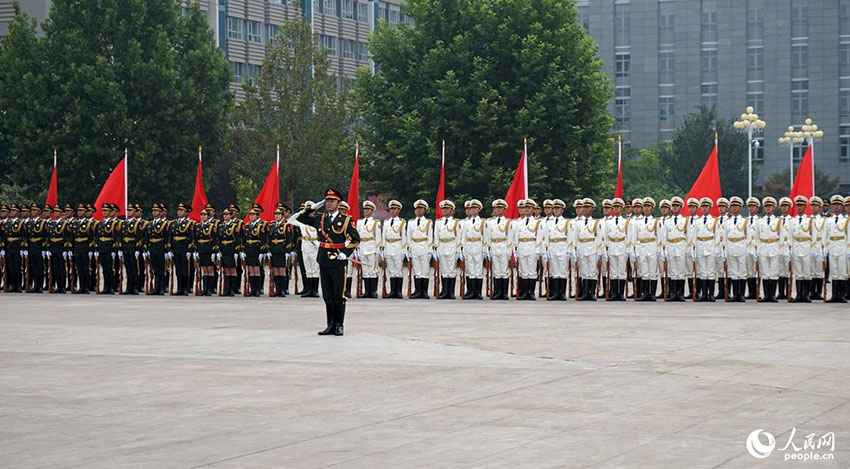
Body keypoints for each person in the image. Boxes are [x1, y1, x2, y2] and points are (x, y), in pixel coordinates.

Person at [293, 189, 361, 336]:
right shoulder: (320, 218)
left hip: (338, 260)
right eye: (327, 201)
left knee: (339, 295)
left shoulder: (346, 220)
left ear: (338, 203)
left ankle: (339, 325)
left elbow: (356, 239)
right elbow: (300, 218)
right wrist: (314, 207)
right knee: (327, 295)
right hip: (323, 259)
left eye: (332, 201)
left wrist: (346, 253)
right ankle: (330, 325)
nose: (329, 203)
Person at [630, 197, 661, 301]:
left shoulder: (656, 222)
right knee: (644, 272)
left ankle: (652, 294)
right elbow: (634, 237)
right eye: (645, 206)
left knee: (652, 272)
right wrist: (634, 250)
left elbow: (659, 238)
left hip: (652, 247)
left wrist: (659, 251)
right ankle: (645, 293)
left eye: (649, 207)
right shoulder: (638, 222)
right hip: (641, 248)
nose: (646, 209)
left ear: (652, 209)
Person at [721, 197, 750, 302]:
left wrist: (747, 250)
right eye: (732, 206)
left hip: (741, 247)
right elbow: (724, 237)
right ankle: (735, 294)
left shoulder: (745, 221)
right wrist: (724, 251)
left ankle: (741, 294)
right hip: (730, 247)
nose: (734, 208)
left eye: (736, 206)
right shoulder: (727, 222)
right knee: (733, 272)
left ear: (740, 207)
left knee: (742, 272)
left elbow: (748, 237)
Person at [754, 197, 782, 302]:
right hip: (763, 247)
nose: (768, 208)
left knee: (774, 272)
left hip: (774, 247)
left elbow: (782, 237)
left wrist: (780, 250)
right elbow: (756, 237)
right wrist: (757, 250)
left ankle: (772, 295)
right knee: (765, 272)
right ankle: (766, 295)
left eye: (770, 206)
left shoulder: (778, 221)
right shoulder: (759, 222)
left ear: (774, 207)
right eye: (766, 206)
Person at [515, 199, 544, 300]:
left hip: (532, 247)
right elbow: (516, 237)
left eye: (529, 208)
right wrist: (516, 249)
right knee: (523, 271)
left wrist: (538, 251)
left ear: (533, 209)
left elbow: (539, 237)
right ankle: (524, 292)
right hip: (522, 247)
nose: (527, 209)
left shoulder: (537, 222)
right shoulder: (519, 222)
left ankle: (531, 292)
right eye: (525, 207)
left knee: (532, 271)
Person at [574, 198, 602, 301]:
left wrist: (599, 252)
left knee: (592, 271)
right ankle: (585, 293)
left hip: (592, 248)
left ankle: (592, 293)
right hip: (582, 248)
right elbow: (575, 238)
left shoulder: (596, 223)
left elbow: (599, 238)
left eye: (588, 207)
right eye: (584, 207)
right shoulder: (578, 223)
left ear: (592, 209)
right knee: (584, 271)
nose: (586, 209)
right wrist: (575, 250)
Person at [691, 197, 719, 302]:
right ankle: (704, 294)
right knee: (702, 271)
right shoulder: (697, 221)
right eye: (702, 206)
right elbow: (694, 236)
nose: (704, 208)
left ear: (710, 208)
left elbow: (717, 237)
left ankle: (711, 294)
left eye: (706, 206)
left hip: (710, 247)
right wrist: (694, 250)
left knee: (710, 272)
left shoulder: (714, 221)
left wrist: (716, 250)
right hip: (700, 247)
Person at [484, 199, 512, 300]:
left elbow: (510, 237)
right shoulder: (489, 222)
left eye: (500, 208)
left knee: (504, 270)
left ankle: (504, 292)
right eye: (496, 208)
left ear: (504, 209)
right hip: (494, 246)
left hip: (503, 246)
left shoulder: (508, 222)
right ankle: (497, 291)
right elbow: (487, 236)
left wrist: (509, 250)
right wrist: (487, 249)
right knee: (496, 270)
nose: (497, 210)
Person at [291, 201, 320, 297]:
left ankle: (315, 290)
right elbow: (291, 220)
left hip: (314, 246)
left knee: (315, 270)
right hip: (305, 247)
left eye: (310, 210)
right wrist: (303, 211)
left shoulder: (317, 220)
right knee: (308, 269)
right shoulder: (302, 221)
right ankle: (309, 290)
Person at [787, 196, 813, 302]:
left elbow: (814, 236)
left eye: (801, 205)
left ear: (805, 206)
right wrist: (790, 250)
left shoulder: (810, 220)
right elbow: (790, 237)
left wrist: (813, 249)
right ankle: (798, 295)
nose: (799, 207)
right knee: (798, 273)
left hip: (807, 247)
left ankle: (805, 295)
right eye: (798, 205)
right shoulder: (792, 221)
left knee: (806, 273)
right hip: (796, 247)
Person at [407, 199, 433, 299]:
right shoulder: (411, 222)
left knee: (425, 270)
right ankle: (417, 291)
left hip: (424, 247)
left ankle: (424, 292)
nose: (418, 210)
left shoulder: (428, 222)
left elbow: (430, 237)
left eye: (421, 208)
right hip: (414, 247)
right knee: (417, 270)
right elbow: (409, 236)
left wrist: (430, 251)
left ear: (424, 210)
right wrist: (408, 249)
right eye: (417, 208)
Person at [544, 199, 570, 300]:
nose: (556, 210)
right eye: (554, 208)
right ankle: (555, 293)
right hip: (552, 247)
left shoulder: (566, 222)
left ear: (562, 210)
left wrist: (569, 251)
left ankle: (562, 293)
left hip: (562, 247)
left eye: (558, 208)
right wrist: (546, 250)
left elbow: (570, 237)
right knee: (554, 271)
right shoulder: (549, 223)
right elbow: (546, 237)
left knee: (562, 271)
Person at [460, 199, 486, 299]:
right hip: (468, 246)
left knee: (478, 269)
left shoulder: (483, 221)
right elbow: (463, 236)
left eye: (475, 208)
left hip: (478, 245)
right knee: (470, 268)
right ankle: (471, 291)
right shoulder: (466, 223)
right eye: (471, 208)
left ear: (479, 209)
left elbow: (485, 237)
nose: (473, 210)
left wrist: (485, 249)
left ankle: (478, 292)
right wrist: (462, 249)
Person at [824, 195, 848, 302]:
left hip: (842, 247)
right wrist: (825, 250)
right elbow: (825, 236)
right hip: (832, 247)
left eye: (838, 205)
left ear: (842, 206)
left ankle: (841, 295)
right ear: (832, 206)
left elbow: (849, 236)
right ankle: (834, 295)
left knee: (841, 272)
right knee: (834, 272)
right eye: (834, 205)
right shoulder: (828, 220)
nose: (836, 207)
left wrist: (848, 250)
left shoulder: (846, 220)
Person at [168, 203, 195, 296]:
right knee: (178, 270)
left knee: (185, 270)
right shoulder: (173, 223)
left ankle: (185, 288)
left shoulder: (189, 223)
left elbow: (191, 238)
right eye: (178, 210)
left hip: (184, 248)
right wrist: (169, 249)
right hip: (176, 248)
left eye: (181, 210)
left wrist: (190, 250)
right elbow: (170, 237)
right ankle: (179, 288)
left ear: (186, 212)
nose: (179, 212)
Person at [356, 201, 382, 298]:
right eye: (365, 209)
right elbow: (357, 236)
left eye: (368, 209)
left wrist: (377, 251)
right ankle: (367, 291)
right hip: (362, 247)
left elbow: (378, 237)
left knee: (373, 270)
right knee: (365, 270)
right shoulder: (359, 222)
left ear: (372, 211)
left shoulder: (375, 222)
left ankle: (373, 291)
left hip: (372, 247)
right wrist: (358, 249)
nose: (366, 211)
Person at [434, 200, 460, 299]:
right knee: (444, 269)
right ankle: (444, 290)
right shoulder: (438, 222)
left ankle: (451, 292)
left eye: (447, 209)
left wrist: (458, 249)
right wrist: (435, 248)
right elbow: (436, 236)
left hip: (452, 245)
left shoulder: (456, 222)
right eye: (443, 209)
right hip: (442, 246)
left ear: (452, 210)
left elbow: (458, 236)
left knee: (451, 269)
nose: (444, 210)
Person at [381, 200, 406, 299]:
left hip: (397, 246)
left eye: (394, 209)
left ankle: (398, 291)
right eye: (391, 209)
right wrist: (383, 248)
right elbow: (383, 236)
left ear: (399, 210)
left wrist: (404, 250)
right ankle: (392, 291)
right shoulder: (386, 222)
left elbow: (404, 237)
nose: (392, 211)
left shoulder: (402, 222)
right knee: (391, 270)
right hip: (388, 246)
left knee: (398, 270)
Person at [242, 207, 268, 297]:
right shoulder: (248, 225)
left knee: (256, 270)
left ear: (257, 216)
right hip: (249, 249)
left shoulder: (260, 226)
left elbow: (263, 239)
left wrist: (262, 251)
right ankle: (252, 289)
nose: (251, 216)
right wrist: (243, 250)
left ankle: (257, 289)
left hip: (256, 249)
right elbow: (244, 239)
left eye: (253, 215)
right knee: (251, 270)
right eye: (250, 215)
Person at [194, 208, 220, 296]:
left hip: (209, 249)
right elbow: (196, 239)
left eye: (204, 215)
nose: (202, 216)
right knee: (204, 269)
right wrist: (196, 251)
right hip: (201, 249)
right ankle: (204, 289)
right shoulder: (198, 226)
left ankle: (209, 289)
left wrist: (214, 251)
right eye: (201, 215)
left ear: (208, 216)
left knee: (210, 269)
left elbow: (214, 239)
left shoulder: (211, 226)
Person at [146, 204, 170, 295]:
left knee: (161, 269)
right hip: (152, 248)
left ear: (160, 213)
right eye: (153, 211)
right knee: (155, 269)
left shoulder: (164, 224)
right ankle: (156, 288)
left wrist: (167, 250)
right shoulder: (150, 224)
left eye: (156, 211)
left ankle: (162, 288)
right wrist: (146, 249)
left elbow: (167, 237)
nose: (154, 213)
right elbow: (147, 237)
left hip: (161, 248)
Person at [268, 205, 291, 297]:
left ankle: (283, 289)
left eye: (278, 214)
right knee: (275, 269)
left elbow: (288, 238)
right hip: (274, 249)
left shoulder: (286, 225)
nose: (276, 216)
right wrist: (268, 249)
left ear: (282, 215)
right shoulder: (272, 225)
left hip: (282, 249)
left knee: (282, 270)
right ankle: (277, 289)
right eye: (275, 214)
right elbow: (269, 238)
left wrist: (287, 251)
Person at [809, 196, 827, 300]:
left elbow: (825, 235)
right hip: (810, 247)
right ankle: (811, 292)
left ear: (819, 207)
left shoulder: (824, 220)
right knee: (811, 271)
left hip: (820, 246)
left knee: (819, 271)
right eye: (812, 206)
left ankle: (818, 292)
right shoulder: (807, 220)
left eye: (816, 206)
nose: (814, 208)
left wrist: (825, 249)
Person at [744, 197, 761, 299]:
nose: (751, 208)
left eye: (753, 206)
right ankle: (751, 292)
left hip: (756, 248)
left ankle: (757, 292)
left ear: (757, 208)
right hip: (747, 248)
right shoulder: (744, 221)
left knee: (757, 271)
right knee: (749, 271)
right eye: (749, 206)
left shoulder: (760, 221)